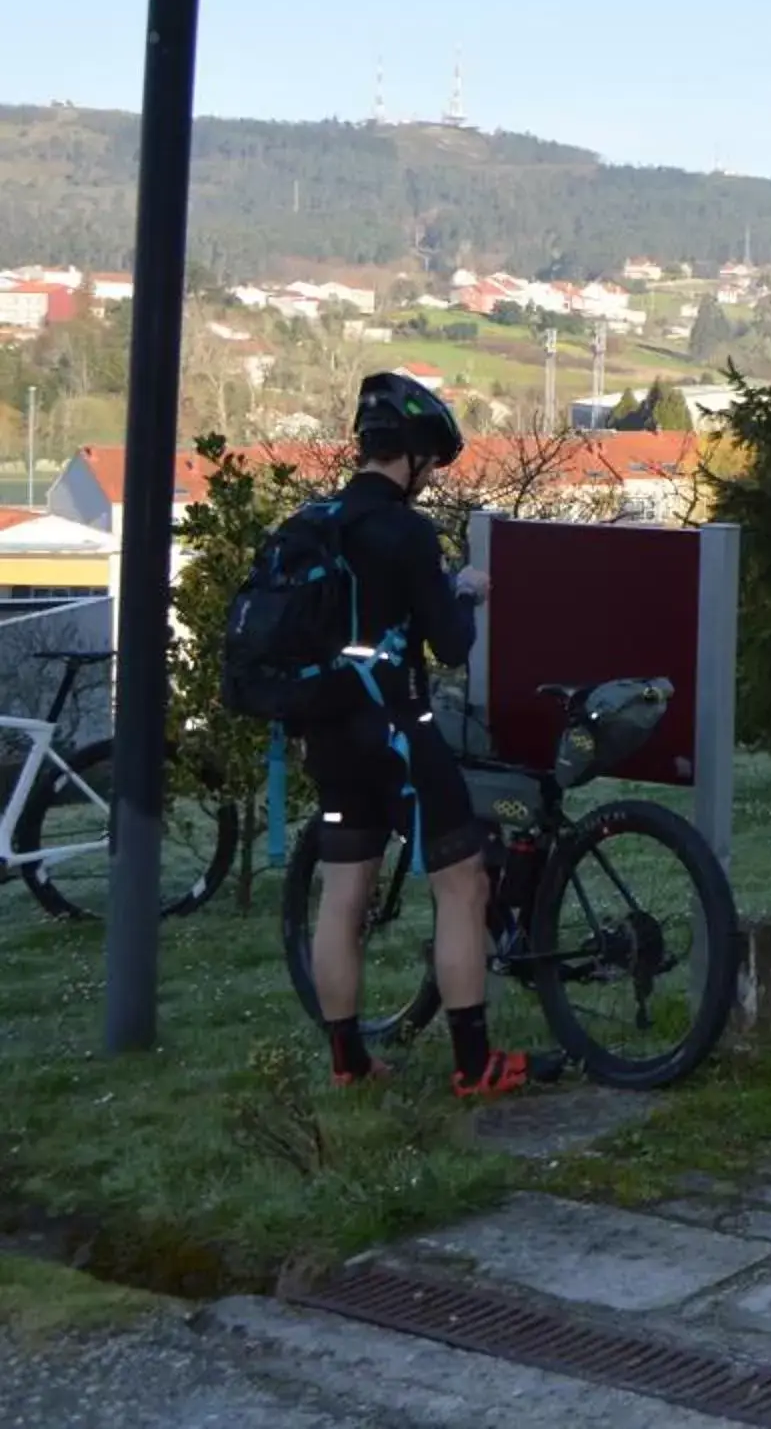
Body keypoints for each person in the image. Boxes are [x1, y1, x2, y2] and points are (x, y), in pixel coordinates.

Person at [295, 372, 544, 1096]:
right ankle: (474, 1065)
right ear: (413, 457)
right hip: (398, 733)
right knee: (461, 885)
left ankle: (349, 1062)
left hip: (328, 732)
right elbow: (453, 644)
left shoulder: (315, 521)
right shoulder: (406, 533)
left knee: (345, 893)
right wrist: (464, 588)